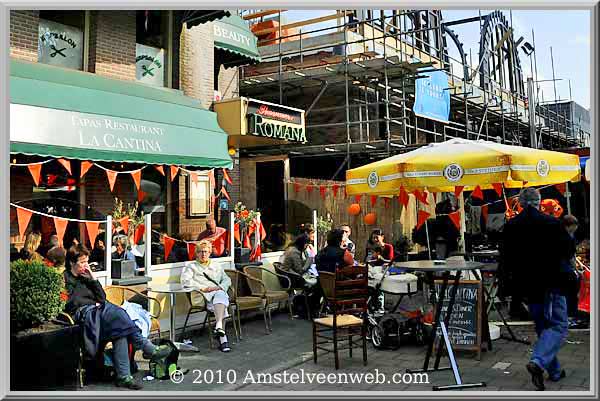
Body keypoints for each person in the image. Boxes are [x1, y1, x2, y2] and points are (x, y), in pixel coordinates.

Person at [63, 245, 169, 390]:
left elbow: (102, 297)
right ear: (71, 263)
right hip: (84, 316)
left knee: (120, 330)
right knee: (117, 313)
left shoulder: (86, 277)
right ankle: (147, 347)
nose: (85, 266)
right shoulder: (65, 279)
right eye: (82, 262)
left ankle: (124, 376)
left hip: (99, 313)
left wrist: (93, 279)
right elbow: (70, 303)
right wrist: (93, 303)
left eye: (87, 261)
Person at [501, 187, 567, 390]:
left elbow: (506, 259)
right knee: (558, 326)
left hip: (528, 286)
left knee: (542, 327)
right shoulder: (552, 223)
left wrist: (507, 288)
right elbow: (567, 250)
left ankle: (554, 371)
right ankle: (538, 361)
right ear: (539, 203)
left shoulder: (511, 226)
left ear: (520, 204)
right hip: (552, 282)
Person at [180, 240, 232, 352]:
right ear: (196, 253)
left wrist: (218, 287)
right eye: (200, 252)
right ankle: (222, 335)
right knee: (222, 298)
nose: (203, 254)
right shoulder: (191, 267)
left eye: (205, 251)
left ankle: (220, 332)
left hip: (215, 294)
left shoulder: (216, 265)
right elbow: (185, 281)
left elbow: (227, 279)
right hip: (202, 296)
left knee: (220, 294)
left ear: (209, 252)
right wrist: (201, 288)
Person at [559, 215, 584, 329]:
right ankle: (570, 317)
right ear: (568, 226)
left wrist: (579, 265)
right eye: (573, 227)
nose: (574, 229)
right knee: (571, 293)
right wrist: (577, 269)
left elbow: (573, 255)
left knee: (567, 294)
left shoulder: (567, 236)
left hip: (563, 269)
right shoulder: (566, 238)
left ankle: (568, 316)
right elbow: (570, 257)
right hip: (565, 270)